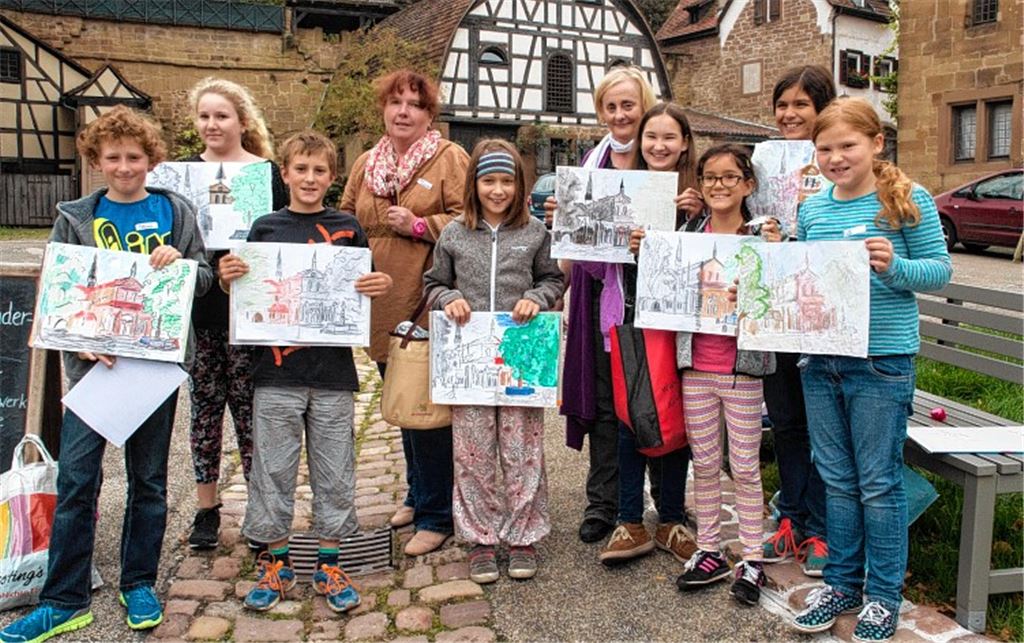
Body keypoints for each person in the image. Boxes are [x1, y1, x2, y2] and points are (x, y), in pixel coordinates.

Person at [0, 105, 213, 642]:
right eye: (113, 157)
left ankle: (138, 581)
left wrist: (182, 267)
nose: (124, 166)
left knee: (149, 481)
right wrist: (83, 346)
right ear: (96, 160)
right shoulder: (75, 216)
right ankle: (63, 597)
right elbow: (60, 290)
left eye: (134, 157)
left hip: (154, 369)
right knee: (77, 481)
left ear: (151, 159)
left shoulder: (175, 213)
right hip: (95, 371)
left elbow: (206, 281)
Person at [792, 97, 951, 642]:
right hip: (821, 358)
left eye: (847, 146)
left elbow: (939, 271)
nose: (836, 158)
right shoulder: (812, 209)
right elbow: (801, 275)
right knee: (836, 479)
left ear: (875, 144)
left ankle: (883, 595)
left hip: (881, 361)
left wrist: (896, 265)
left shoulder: (905, 200)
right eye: (825, 149)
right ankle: (841, 583)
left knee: (878, 484)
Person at [218, 131, 393, 613]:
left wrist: (377, 283)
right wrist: (228, 278)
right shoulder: (264, 228)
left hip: (333, 373)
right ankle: (276, 562)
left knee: (335, 471)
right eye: (301, 169)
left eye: (319, 171)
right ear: (286, 173)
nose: (310, 178)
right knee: (272, 470)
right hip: (275, 374)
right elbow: (245, 298)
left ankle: (330, 562)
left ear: (332, 178)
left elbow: (363, 286)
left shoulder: (348, 227)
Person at [554, 67, 704, 545]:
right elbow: (576, 255)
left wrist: (693, 209)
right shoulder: (594, 164)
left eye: (628, 105)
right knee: (608, 404)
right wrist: (569, 222)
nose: (620, 115)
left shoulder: (675, 174)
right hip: (606, 301)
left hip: (660, 306)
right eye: (611, 106)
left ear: (645, 108)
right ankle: (607, 503)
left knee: (661, 397)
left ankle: (666, 504)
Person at [422, 139, 564, 583]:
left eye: (506, 181)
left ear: (519, 186)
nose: (498, 190)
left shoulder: (535, 234)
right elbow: (431, 285)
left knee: (523, 452)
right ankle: (481, 537)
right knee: (472, 454)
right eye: (489, 181)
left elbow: (553, 279)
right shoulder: (453, 234)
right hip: (470, 367)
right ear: (474, 184)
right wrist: (449, 298)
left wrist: (536, 299)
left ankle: (523, 534)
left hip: (521, 362)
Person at [340, 69, 469, 556]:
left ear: (428, 114)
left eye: (414, 104)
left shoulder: (449, 157)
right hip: (378, 299)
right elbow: (345, 215)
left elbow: (469, 218)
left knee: (426, 408)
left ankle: (438, 513)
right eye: (395, 103)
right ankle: (418, 494)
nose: (402, 112)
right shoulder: (367, 161)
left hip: (425, 294)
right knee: (398, 398)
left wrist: (420, 224)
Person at [182, 77, 289, 550]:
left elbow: (283, 239)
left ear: (241, 121)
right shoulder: (180, 178)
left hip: (251, 313)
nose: (212, 124)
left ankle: (259, 509)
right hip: (202, 311)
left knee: (252, 414)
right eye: (204, 116)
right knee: (205, 412)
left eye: (221, 115)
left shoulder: (265, 177)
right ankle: (207, 509)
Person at [672, 145, 775, 606]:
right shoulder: (690, 233)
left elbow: (778, 299)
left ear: (747, 185)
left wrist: (775, 255)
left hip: (743, 371)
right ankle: (710, 548)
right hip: (697, 367)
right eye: (711, 177)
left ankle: (752, 557)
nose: (719, 185)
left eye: (730, 177)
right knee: (706, 464)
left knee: (747, 467)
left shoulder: (764, 239)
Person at [600, 102, 699, 567]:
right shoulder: (626, 190)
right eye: (651, 137)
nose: (659, 145)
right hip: (634, 321)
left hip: (683, 328)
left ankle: (673, 518)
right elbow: (596, 256)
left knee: (677, 419)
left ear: (684, 144)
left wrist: (690, 221)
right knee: (629, 415)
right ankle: (629, 519)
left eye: (669, 137)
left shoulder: (701, 195)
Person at [760, 65, 837, 576]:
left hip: (825, 305)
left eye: (801, 106)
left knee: (824, 425)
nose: (789, 114)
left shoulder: (841, 157)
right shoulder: (764, 157)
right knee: (786, 419)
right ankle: (791, 518)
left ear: (822, 109)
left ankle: (823, 529)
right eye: (782, 105)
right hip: (776, 301)